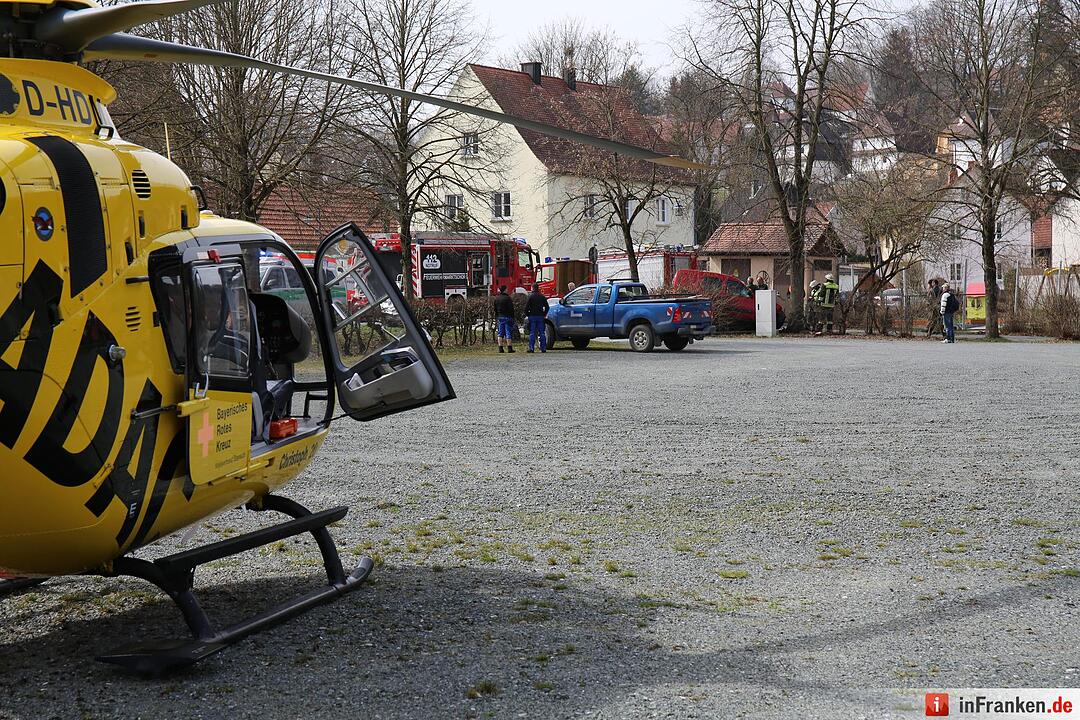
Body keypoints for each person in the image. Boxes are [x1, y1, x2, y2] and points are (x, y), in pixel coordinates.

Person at [524, 283, 550, 353]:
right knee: (542, 332)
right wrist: (544, 314)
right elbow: (547, 307)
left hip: (532, 316)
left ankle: (531, 348)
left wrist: (528, 314)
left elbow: (526, 308)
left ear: (532, 288)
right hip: (540, 316)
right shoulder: (542, 296)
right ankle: (543, 348)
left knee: (532, 332)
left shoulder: (530, 297)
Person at [493, 285, 515, 353]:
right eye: (506, 289)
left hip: (500, 317)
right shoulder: (508, 298)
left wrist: (497, 315)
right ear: (505, 290)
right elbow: (511, 309)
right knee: (508, 332)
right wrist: (512, 317)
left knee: (500, 333)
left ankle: (500, 348)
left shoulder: (497, 298)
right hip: (507, 317)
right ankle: (509, 348)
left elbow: (495, 309)